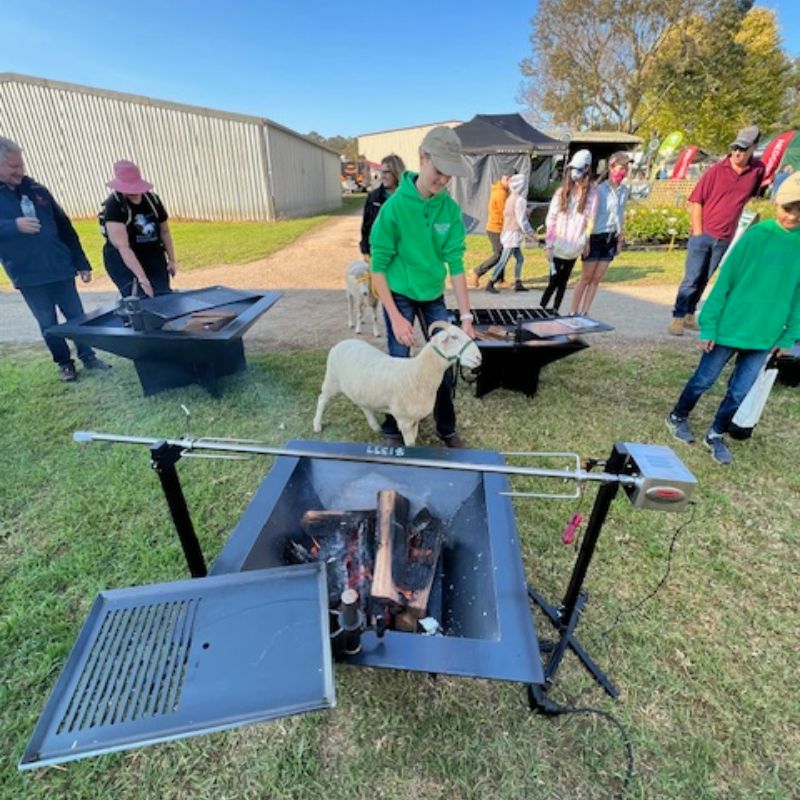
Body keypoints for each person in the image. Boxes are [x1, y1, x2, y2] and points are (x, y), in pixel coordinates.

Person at [665, 172, 800, 465]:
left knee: (739, 391)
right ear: (777, 204)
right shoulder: (757, 235)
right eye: (789, 208)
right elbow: (725, 280)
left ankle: (716, 433)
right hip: (729, 328)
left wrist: (788, 337)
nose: (793, 216)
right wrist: (709, 326)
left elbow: (799, 297)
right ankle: (678, 415)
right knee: (704, 380)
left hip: (765, 336)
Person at [369, 126, 475, 448]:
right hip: (399, 294)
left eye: (449, 175)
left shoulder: (449, 210)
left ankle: (446, 427)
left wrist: (467, 318)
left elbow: (455, 264)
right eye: (439, 170)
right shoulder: (394, 208)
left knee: (443, 358)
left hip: (432, 295)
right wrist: (396, 318)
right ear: (422, 158)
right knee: (398, 359)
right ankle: (392, 427)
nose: (443, 180)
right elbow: (377, 268)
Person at [0, 136, 110, 382]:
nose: (20, 171)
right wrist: (12, 226)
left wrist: (81, 262)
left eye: (21, 165)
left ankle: (88, 356)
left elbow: (64, 227)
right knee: (47, 322)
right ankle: (65, 364)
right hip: (29, 276)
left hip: (60, 268)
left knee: (77, 316)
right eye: (13, 167)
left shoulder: (38, 190)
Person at [668, 126, 765, 336]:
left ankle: (689, 314)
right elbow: (696, 201)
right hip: (704, 233)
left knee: (706, 277)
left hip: (725, 235)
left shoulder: (757, 170)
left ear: (753, 149)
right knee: (692, 277)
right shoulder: (716, 170)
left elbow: (749, 196)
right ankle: (677, 315)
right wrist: (698, 231)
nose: (737, 153)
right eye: (735, 148)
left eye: (743, 149)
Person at [100, 160, 178, 298]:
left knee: (163, 295)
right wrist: (142, 279)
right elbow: (123, 247)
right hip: (124, 260)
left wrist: (171, 259)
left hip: (153, 254)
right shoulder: (115, 205)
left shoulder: (153, 200)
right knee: (139, 300)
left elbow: (165, 231)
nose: (133, 193)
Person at [570, 151, 631, 316]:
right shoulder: (599, 190)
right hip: (595, 236)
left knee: (596, 279)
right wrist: (586, 239)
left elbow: (620, 214)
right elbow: (589, 215)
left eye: (626, 168)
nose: (623, 172)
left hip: (610, 236)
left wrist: (619, 239)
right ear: (611, 168)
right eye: (620, 167)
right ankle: (573, 311)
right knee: (586, 278)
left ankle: (585, 311)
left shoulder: (624, 191)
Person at [541, 149, 597, 312]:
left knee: (563, 282)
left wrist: (586, 240)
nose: (575, 173)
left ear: (587, 168)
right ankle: (540, 309)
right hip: (559, 245)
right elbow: (551, 219)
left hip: (575, 246)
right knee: (553, 281)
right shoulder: (561, 192)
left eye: (579, 169)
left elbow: (590, 219)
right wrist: (549, 244)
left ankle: (555, 310)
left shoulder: (592, 193)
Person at [485, 173, 534, 294]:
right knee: (503, 260)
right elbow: (521, 219)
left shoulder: (510, 197)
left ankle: (518, 282)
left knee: (520, 259)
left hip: (509, 232)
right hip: (512, 234)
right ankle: (490, 282)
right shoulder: (520, 200)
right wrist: (530, 232)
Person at [359, 154, 405, 257]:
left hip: (403, 256)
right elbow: (366, 227)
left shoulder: (408, 198)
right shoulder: (373, 198)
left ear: (397, 172)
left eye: (386, 172)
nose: (382, 176)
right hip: (379, 254)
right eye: (381, 172)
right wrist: (365, 250)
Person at [471, 173, 510, 287]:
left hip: (497, 227)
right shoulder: (501, 193)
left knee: (502, 253)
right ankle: (477, 272)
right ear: (506, 179)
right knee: (498, 255)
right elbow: (505, 213)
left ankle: (499, 279)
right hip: (495, 228)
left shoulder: (501, 190)